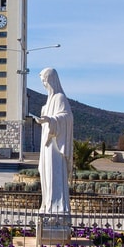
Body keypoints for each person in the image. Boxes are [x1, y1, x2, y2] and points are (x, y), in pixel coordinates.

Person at [34, 67, 74, 215]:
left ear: (51, 80)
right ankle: (47, 204)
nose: (44, 84)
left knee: (54, 175)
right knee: (45, 174)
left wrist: (51, 120)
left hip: (56, 146)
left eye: (45, 80)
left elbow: (67, 118)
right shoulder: (49, 99)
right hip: (46, 145)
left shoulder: (60, 98)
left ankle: (57, 208)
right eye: (42, 81)